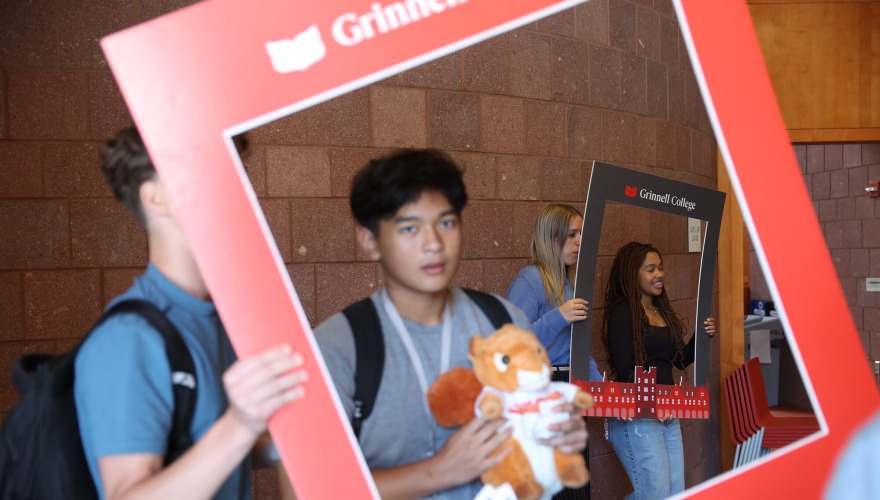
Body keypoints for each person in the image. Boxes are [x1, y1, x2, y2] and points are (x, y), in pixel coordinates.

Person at [282, 149, 588, 499]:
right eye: (410, 227)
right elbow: (302, 490)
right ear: (369, 240)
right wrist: (439, 472)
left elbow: (531, 431)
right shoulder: (337, 348)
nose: (433, 244)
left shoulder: (503, 321)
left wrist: (556, 433)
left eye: (446, 223)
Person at [74, 126, 308, 499]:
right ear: (156, 198)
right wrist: (240, 425)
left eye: (238, 174)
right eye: (217, 174)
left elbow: (201, 447)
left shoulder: (215, 318)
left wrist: (298, 442)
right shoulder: (129, 337)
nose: (242, 192)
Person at [600, 241, 715, 500]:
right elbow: (625, 369)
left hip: (666, 415)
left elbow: (679, 360)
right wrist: (653, 404)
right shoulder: (622, 312)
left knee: (675, 494)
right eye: (650, 269)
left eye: (660, 268)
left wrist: (702, 336)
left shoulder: (659, 310)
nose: (659, 275)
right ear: (633, 274)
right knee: (654, 494)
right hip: (639, 416)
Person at [506, 203, 602, 500]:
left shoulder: (570, 283)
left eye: (582, 234)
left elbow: (576, 347)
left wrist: (602, 388)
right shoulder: (530, 279)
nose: (579, 242)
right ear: (551, 237)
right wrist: (558, 316)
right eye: (572, 234)